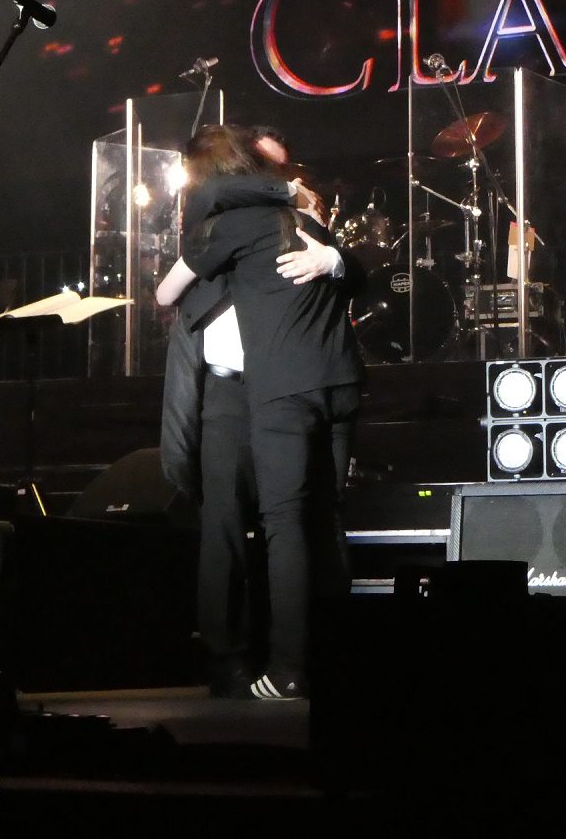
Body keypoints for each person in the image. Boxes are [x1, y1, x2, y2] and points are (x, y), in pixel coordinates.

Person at [156, 125, 364, 700]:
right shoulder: (216, 218)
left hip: (283, 384)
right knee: (228, 522)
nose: (279, 176)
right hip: (233, 390)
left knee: (300, 520)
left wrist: (327, 251)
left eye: (282, 169)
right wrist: (287, 197)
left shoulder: (290, 223)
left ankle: (299, 654)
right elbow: (175, 286)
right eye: (266, 169)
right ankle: (228, 656)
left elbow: (346, 276)